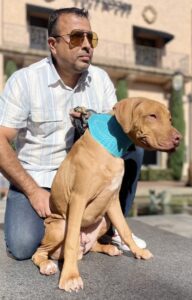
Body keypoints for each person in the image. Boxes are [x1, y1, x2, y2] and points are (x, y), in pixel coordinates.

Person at [0, 7, 145, 260]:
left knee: (134, 149)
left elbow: (116, 137)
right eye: (77, 37)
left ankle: (110, 229)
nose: (87, 45)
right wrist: (33, 191)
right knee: (23, 246)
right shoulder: (25, 81)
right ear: (53, 44)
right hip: (39, 179)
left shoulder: (100, 80)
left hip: (86, 179)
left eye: (92, 38)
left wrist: (93, 121)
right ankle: (82, 228)